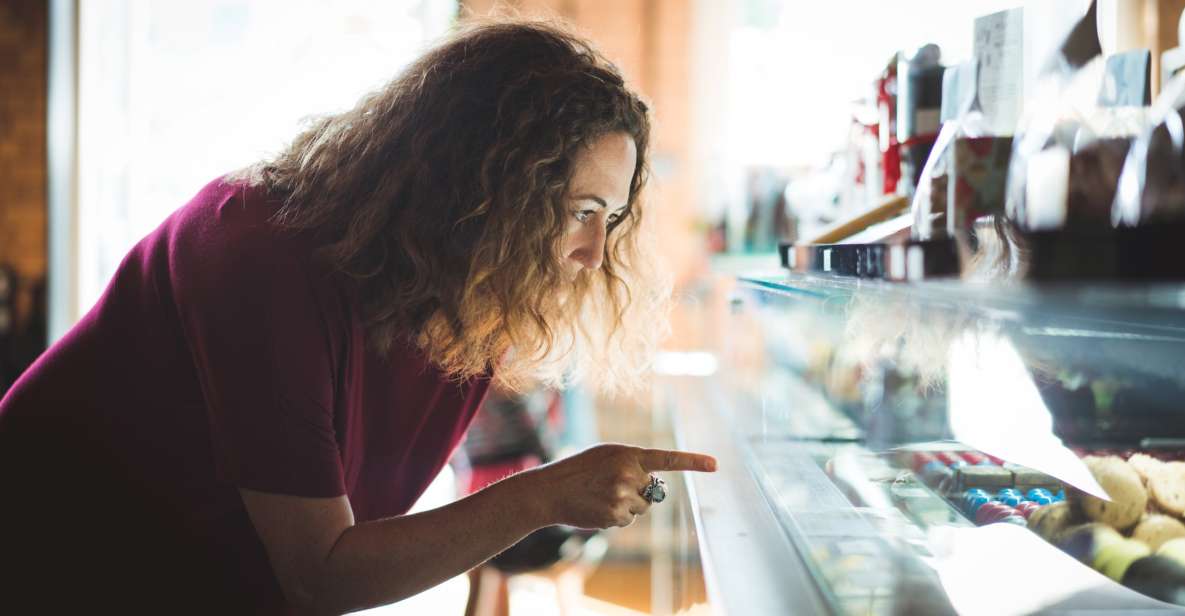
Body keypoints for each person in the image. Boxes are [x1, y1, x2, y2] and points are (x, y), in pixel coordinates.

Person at [0, 18, 716, 614]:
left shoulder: (461, 298)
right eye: (579, 212)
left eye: (611, 218)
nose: (594, 253)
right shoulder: (258, 257)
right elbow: (318, 576)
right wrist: (545, 495)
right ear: (478, 189)